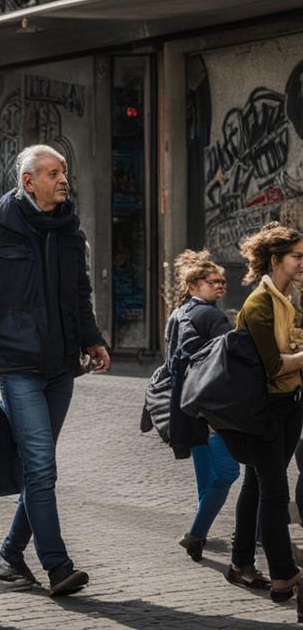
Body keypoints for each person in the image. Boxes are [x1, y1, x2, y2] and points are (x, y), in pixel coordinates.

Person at [0, 144, 110, 597]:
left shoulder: (69, 231)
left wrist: (92, 339)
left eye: (64, 172)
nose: (64, 180)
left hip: (62, 367)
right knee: (41, 466)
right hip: (17, 365)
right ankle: (58, 566)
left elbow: (79, 293)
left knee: (38, 468)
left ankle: (9, 555)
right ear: (28, 181)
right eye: (54, 173)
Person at [219, 223, 303, 601]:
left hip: (288, 405)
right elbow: (274, 366)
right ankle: (284, 575)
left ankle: (240, 563)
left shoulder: (291, 299)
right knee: (274, 492)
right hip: (263, 409)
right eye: (297, 257)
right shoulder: (259, 304)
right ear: (275, 260)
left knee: (256, 482)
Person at [154, 250, 237, 562]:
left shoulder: (177, 315)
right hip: (209, 410)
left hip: (184, 406)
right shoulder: (213, 317)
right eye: (212, 281)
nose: (221, 285)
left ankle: (200, 534)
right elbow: (221, 366)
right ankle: (196, 533)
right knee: (227, 473)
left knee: (206, 476)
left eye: (223, 281)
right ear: (193, 286)